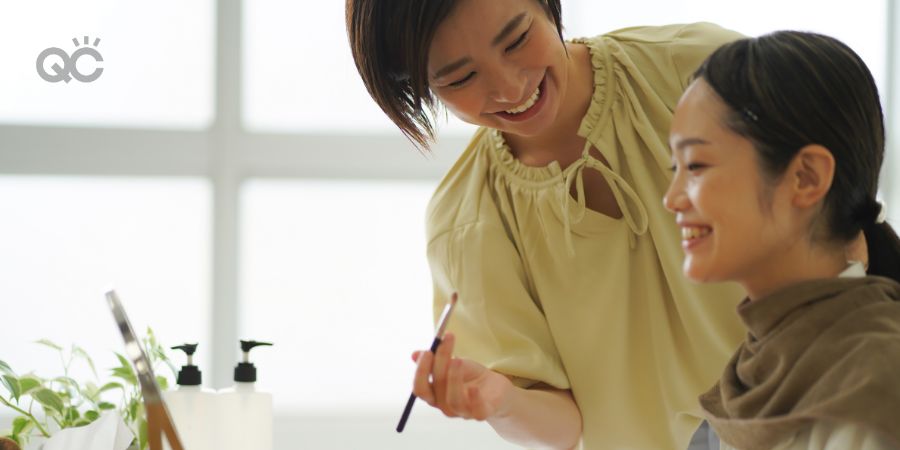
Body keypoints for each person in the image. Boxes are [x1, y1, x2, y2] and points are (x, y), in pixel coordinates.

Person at [346, 2, 855, 449]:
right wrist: (500, 400)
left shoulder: (696, 69)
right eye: (459, 79)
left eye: (518, 39)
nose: (509, 86)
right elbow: (565, 429)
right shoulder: (466, 224)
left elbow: (844, 220)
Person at [664, 30, 900, 450]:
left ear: (806, 177)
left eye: (696, 164)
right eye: (674, 168)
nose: (672, 199)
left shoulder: (874, 384)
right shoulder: (752, 374)